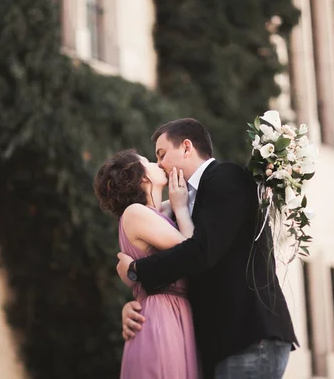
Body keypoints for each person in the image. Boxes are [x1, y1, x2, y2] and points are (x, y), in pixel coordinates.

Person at [116, 118, 299, 379]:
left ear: (187, 147)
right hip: (217, 345)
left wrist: (136, 272)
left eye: (162, 154)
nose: (160, 164)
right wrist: (138, 303)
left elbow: (200, 252)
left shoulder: (227, 178)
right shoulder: (182, 203)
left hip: (247, 337)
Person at [94, 149, 199, 379]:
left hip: (175, 314)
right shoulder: (134, 213)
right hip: (160, 318)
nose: (157, 163)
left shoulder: (159, 213)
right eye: (149, 161)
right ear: (142, 177)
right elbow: (193, 252)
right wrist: (180, 208)